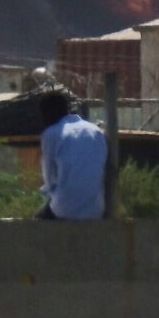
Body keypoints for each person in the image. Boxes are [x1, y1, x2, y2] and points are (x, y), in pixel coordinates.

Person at [34, 88, 108, 221]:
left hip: (65, 209)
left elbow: (49, 178)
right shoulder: (96, 131)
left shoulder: (51, 133)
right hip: (96, 209)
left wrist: (46, 195)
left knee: (38, 222)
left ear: (46, 113)